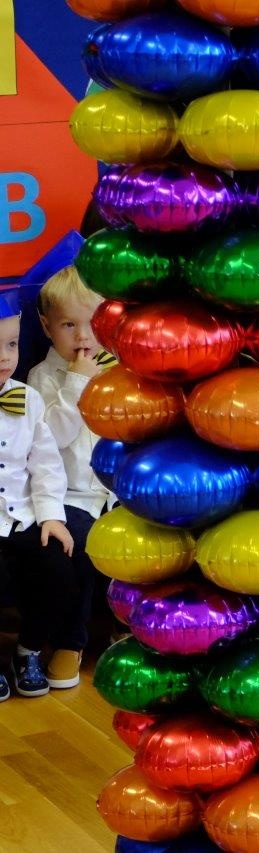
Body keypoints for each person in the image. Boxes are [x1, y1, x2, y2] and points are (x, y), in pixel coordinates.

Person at [26, 234, 115, 689]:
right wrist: (76, 383)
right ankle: (70, 641)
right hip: (72, 496)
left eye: (92, 324)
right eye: (68, 326)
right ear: (46, 327)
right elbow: (48, 440)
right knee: (75, 546)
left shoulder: (121, 368)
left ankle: (133, 630)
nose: (83, 337)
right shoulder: (41, 378)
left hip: (117, 493)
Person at [0, 281, 75, 700]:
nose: (4, 358)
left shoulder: (27, 400)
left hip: (24, 516)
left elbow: (45, 465)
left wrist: (51, 517)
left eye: (11, 345)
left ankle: (28, 650)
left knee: (58, 566)